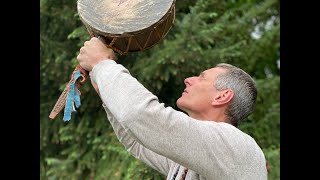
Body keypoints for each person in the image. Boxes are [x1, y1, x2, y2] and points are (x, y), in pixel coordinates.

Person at [77, 37, 268, 180]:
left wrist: (103, 63)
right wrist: (102, 81)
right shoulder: (192, 156)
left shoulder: (233, 144)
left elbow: (142, 116)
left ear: (222, 96)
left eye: (201, 77)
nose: (189, 79)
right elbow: (136, 141)